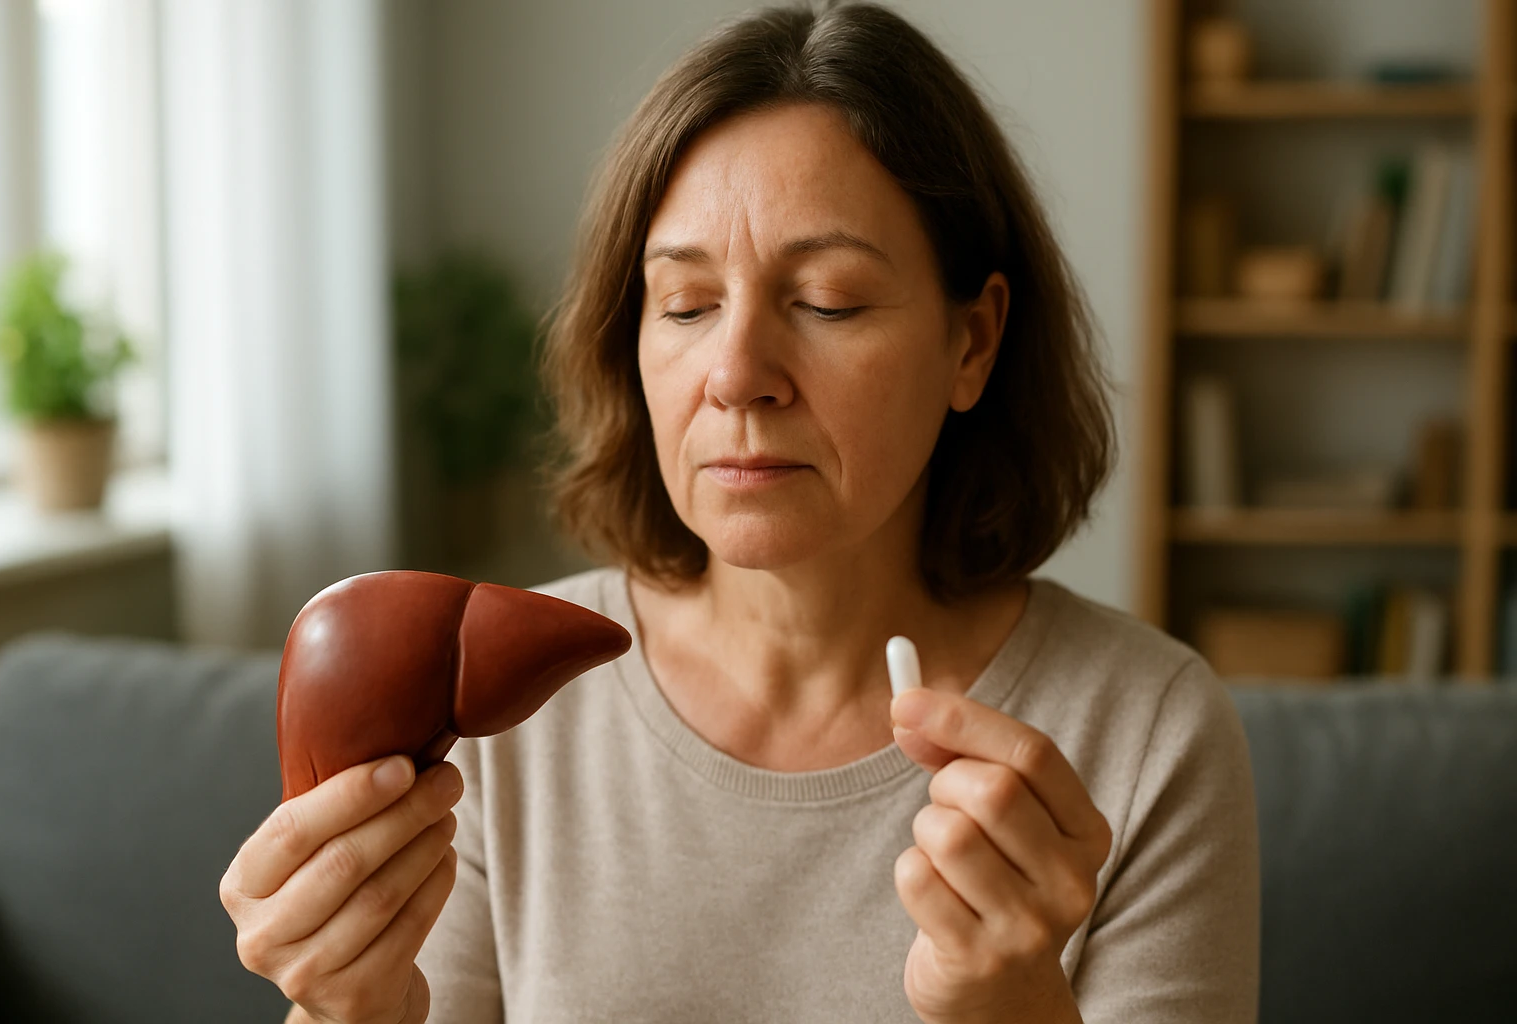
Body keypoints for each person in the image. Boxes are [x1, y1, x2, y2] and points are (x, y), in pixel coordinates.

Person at [219, 3, 1261, 1022]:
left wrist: (1011, 1005)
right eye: (685, 305)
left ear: (973, 342)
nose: (737, 374)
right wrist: (347, 1011)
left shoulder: (1146, 734)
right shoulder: (500, 722)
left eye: (829, 301)